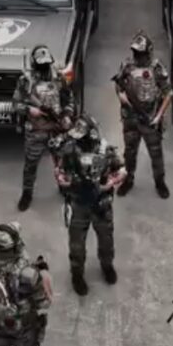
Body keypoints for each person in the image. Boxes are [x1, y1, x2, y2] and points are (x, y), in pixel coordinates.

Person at [53, 116, 127, 295]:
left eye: (82, 136)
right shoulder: (70, 149)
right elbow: (59, 171)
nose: (78, 140)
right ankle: (77, 275)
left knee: (106, 241)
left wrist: (109, 184)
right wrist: (63, 180)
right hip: (78, 203)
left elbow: (123, 171)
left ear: (92, 135)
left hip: (101, 204)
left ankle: (107, 266)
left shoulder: (105, 150)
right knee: (77, 246)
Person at [13, 45, 75, 211]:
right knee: (31, 165)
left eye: (46, 64)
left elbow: (69, 100)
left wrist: (67, 115)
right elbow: (16, 104)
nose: (44, 68)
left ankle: (64, 187)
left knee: (62, 162)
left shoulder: (59, 78)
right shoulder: (26, 82)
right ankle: (27, 193)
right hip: (36, 130)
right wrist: (29, 110)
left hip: (57, 129)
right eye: (41, 65)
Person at [113, 31, 173, 198]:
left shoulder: (156, 67)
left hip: (150, 118)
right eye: (135, 52)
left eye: (141, 52)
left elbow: (168, 93)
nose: (138, 56)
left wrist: (158, 116)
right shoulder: (127, 65)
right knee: (130, 152)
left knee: (155, 153)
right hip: (130, 117)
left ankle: (160, 182)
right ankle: (128, 180)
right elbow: (118, 85)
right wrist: (122, 97)